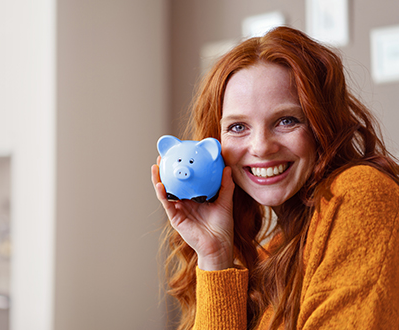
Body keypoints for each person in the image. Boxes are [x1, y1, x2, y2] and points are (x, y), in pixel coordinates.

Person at [151, 26, 399, 330]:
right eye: (238, 127)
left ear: (322, 125)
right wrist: (214, 255)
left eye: (286, 120)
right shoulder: (278, 248)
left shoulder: (362, 195)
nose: (261, 148)